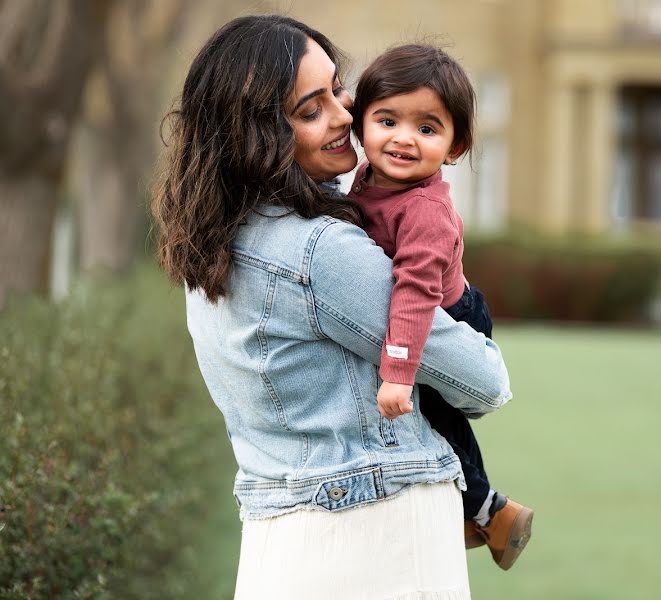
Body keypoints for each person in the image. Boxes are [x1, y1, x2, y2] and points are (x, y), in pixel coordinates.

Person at [151, 15, 513, 599]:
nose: (346, 115)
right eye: (311, 109)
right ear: (259, 133)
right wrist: (460, 292)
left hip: (278, 539)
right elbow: (484, 382)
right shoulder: (320, 249)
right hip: (376, 537)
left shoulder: (211, 241)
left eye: (337, 88)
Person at [347, 44, 533, 570]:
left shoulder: (426, 212)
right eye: (387, 120)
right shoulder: (367, 181)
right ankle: (482, 508)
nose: (404, 138)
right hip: (421, 311)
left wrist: (400, 372)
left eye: (427, 129)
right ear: (360, 124)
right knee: (437, 419)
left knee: (440, 417)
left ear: (456, 146)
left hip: (448, 316)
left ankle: (488, 510)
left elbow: (414, 293)